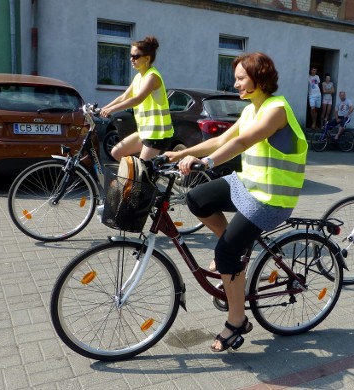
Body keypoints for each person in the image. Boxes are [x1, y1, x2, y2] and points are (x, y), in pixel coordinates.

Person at [164, 52, 308, 353]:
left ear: (260, 78)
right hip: (248, 186)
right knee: (196, 198)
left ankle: (236, 321)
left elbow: (243, 142)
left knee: (226, 253)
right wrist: (179, 154)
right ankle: (234, 248)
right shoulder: (251, 110)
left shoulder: (276, 109)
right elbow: (223, 139)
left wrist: (206, 162)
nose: (236, 83)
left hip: (272, 199)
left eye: (241, 78)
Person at [100, 36, 173, 161]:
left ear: (147, 58)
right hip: (145, 131)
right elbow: (124, 97)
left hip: (157, 134)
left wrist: (112, 110)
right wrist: (104, 108)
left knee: (141, 172)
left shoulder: (152, 77)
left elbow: (138, 99)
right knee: (117, 152)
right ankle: (135, 177)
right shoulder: (139, 77)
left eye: (136, 56)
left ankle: (141, 178)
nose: (131, 59)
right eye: (131, 56)